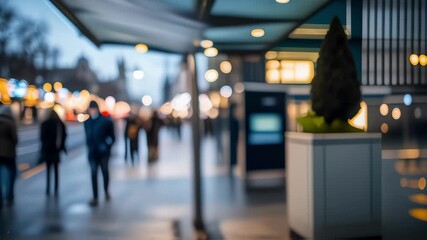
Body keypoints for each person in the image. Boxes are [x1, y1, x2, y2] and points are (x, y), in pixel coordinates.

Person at [84, 101, 115, 206]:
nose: (92, 111)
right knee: (93, 174)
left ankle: (106, 190)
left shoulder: (105, 121)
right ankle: (95, 197)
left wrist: (107, 146)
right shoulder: (87, 122)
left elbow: (112, 137)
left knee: (104, 171)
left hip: (103, 152)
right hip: (92, 153)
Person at [40, 109, 67, 196]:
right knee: (56, 170)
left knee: (48, 170)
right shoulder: (59, 123)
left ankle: (48, 189)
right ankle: (56, 188)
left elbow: (42, 137)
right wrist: (62, 147)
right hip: (56, 150)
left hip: (47, 150)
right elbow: (64, 136)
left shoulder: (45, 123)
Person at [0, 105, 18, 207]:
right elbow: (15, 138)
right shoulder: (11, 123)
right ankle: (9, 195)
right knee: (11, 173)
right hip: (9, 153)